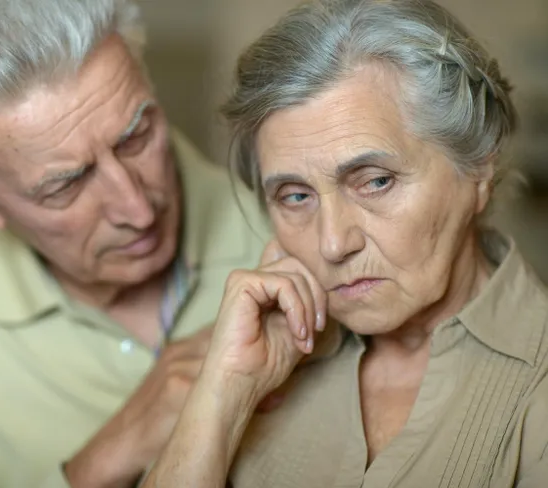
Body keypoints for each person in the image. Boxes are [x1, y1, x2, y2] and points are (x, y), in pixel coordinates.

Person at [140, 0, 548, 487]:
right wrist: (224, 393)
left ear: (479, 166)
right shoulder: (258, 354)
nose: (333, 244)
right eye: (295, 196)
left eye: (375, 182)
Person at [0, 1, 273, 487]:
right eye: (65, 185)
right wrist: (104, 461)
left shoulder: (296, 233)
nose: (137, 210)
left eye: (136, 136)